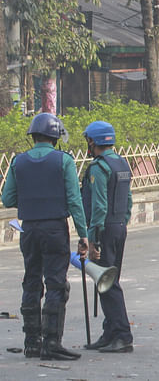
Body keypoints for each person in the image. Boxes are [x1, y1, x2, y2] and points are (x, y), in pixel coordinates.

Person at [1, 113, 88, 361]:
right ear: (55, 137)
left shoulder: (18, 162)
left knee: (31, 281)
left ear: (33, 136)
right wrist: (84, 235)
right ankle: (52, 342)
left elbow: (7, 199)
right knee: (56, 284)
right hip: (54, 229)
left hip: (28, 230)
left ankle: (31, 342)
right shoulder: (64, 161)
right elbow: (74, 201)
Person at [80, 121, 134, 353]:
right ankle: (110, 332)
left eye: (89, 141)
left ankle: (122, 335)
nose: (88, 145)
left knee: (107, 283)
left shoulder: (99, 168)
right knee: (108, 280)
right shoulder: (121, 163)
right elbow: (129, 201)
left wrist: (94, 240)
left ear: (94, 141)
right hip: (119, 226)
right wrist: (121, 224)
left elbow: (99, 206)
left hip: (104, 229)